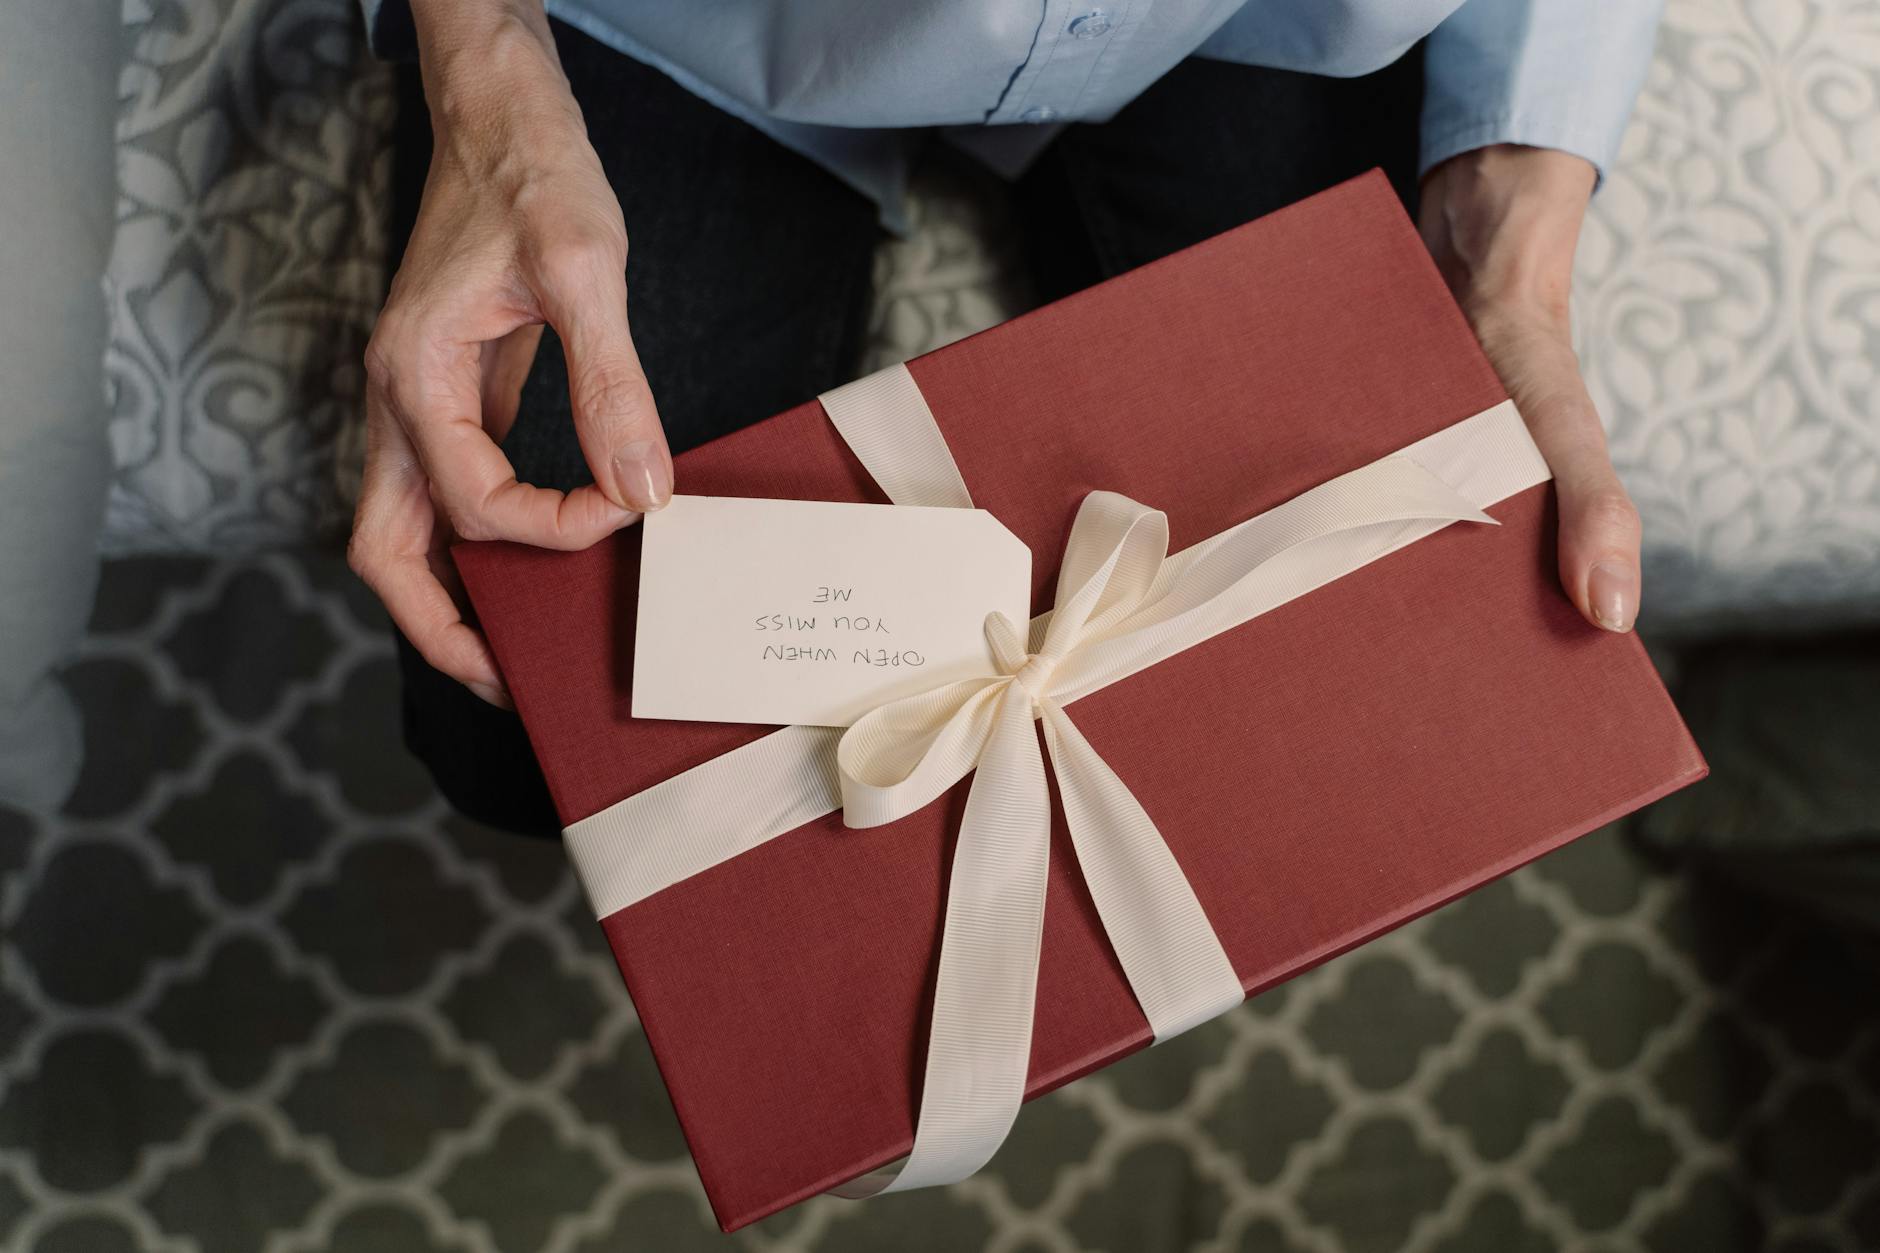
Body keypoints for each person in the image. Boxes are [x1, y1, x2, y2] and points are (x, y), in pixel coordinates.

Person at [350, 0, 1661, 834]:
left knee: (1372, 666)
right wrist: (486, 81)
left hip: (1247, 22)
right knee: (538, 714)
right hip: (689, 22)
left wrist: (1514, 208)